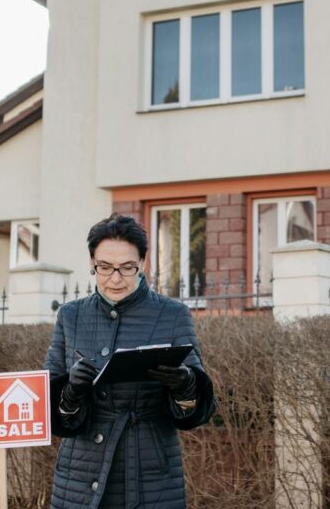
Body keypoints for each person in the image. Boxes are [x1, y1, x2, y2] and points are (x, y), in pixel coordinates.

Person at [44, 214, 217, 508]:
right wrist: (70, 392)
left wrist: (185, 385)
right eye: (105, 267)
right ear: (91, 262)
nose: (115, 278)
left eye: (127, 267)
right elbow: (48, 408)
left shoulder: (172, 314)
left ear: (143, 263)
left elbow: (196, 412)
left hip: (149, 472)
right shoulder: (71, 316)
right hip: (80, 473)